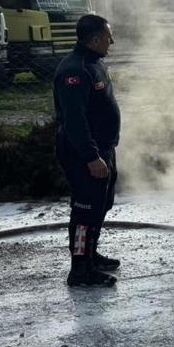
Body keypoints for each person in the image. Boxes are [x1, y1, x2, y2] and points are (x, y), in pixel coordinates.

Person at [53, 14, 121, 287]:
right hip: (84, 154)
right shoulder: (75, 70)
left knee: (100, 205)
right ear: (94, 39)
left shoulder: (94, 63)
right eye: (108, 36)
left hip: (103, 150)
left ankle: (90, 255)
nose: (112, 41)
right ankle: (80, 268)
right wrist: (91, 156)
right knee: (84, 213)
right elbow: (74, 120)